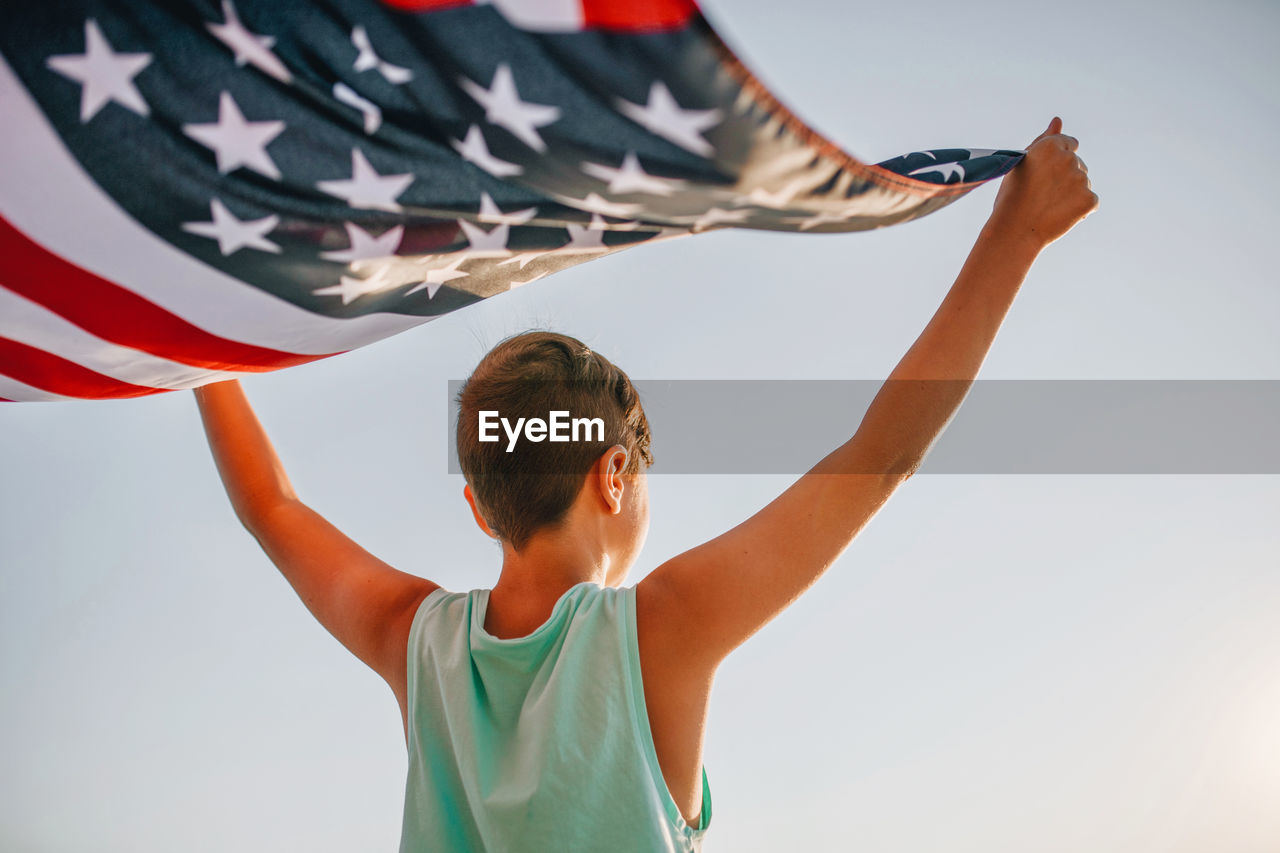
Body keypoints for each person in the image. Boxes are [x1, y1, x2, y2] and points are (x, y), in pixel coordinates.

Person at [194, 117, 1097, 852]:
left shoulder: (415, 640)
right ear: (613, 475)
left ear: (478, 505)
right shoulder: (658, 629)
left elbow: (270, 508)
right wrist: (1016, 234)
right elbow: (881, 454)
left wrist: (188, 339)